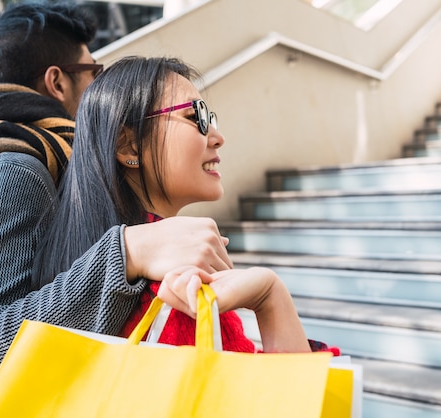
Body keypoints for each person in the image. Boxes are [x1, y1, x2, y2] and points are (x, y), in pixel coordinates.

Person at [0, 4, 232, 417]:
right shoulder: (14, 171)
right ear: (57, 82)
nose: (101, 90)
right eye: (92, 73)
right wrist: (127, 253)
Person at [33, 55, 321, 354]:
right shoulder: (179, 292)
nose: (218, 137)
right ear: (128, 145)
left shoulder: (66, 271)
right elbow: (282, 399)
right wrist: (271, 297)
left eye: (211, 119)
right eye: (196, 116)